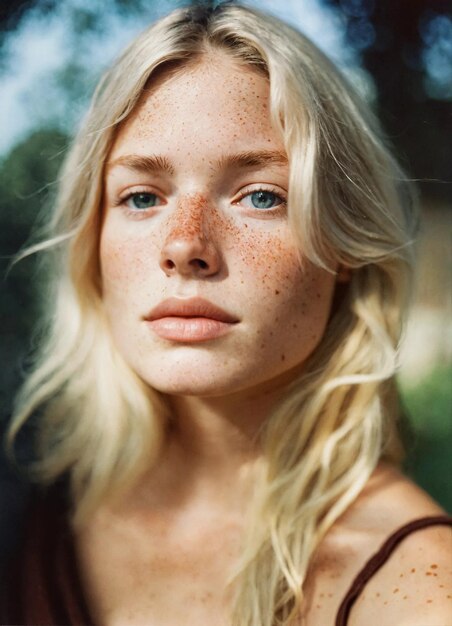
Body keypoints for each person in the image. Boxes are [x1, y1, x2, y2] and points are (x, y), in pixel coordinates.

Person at [2, 3, 451, 625]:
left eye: (261, 195)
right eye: (141, 197)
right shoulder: (29, 506)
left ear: (343, 246)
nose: (185, 245)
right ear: (92, 239)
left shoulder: (419, 591)